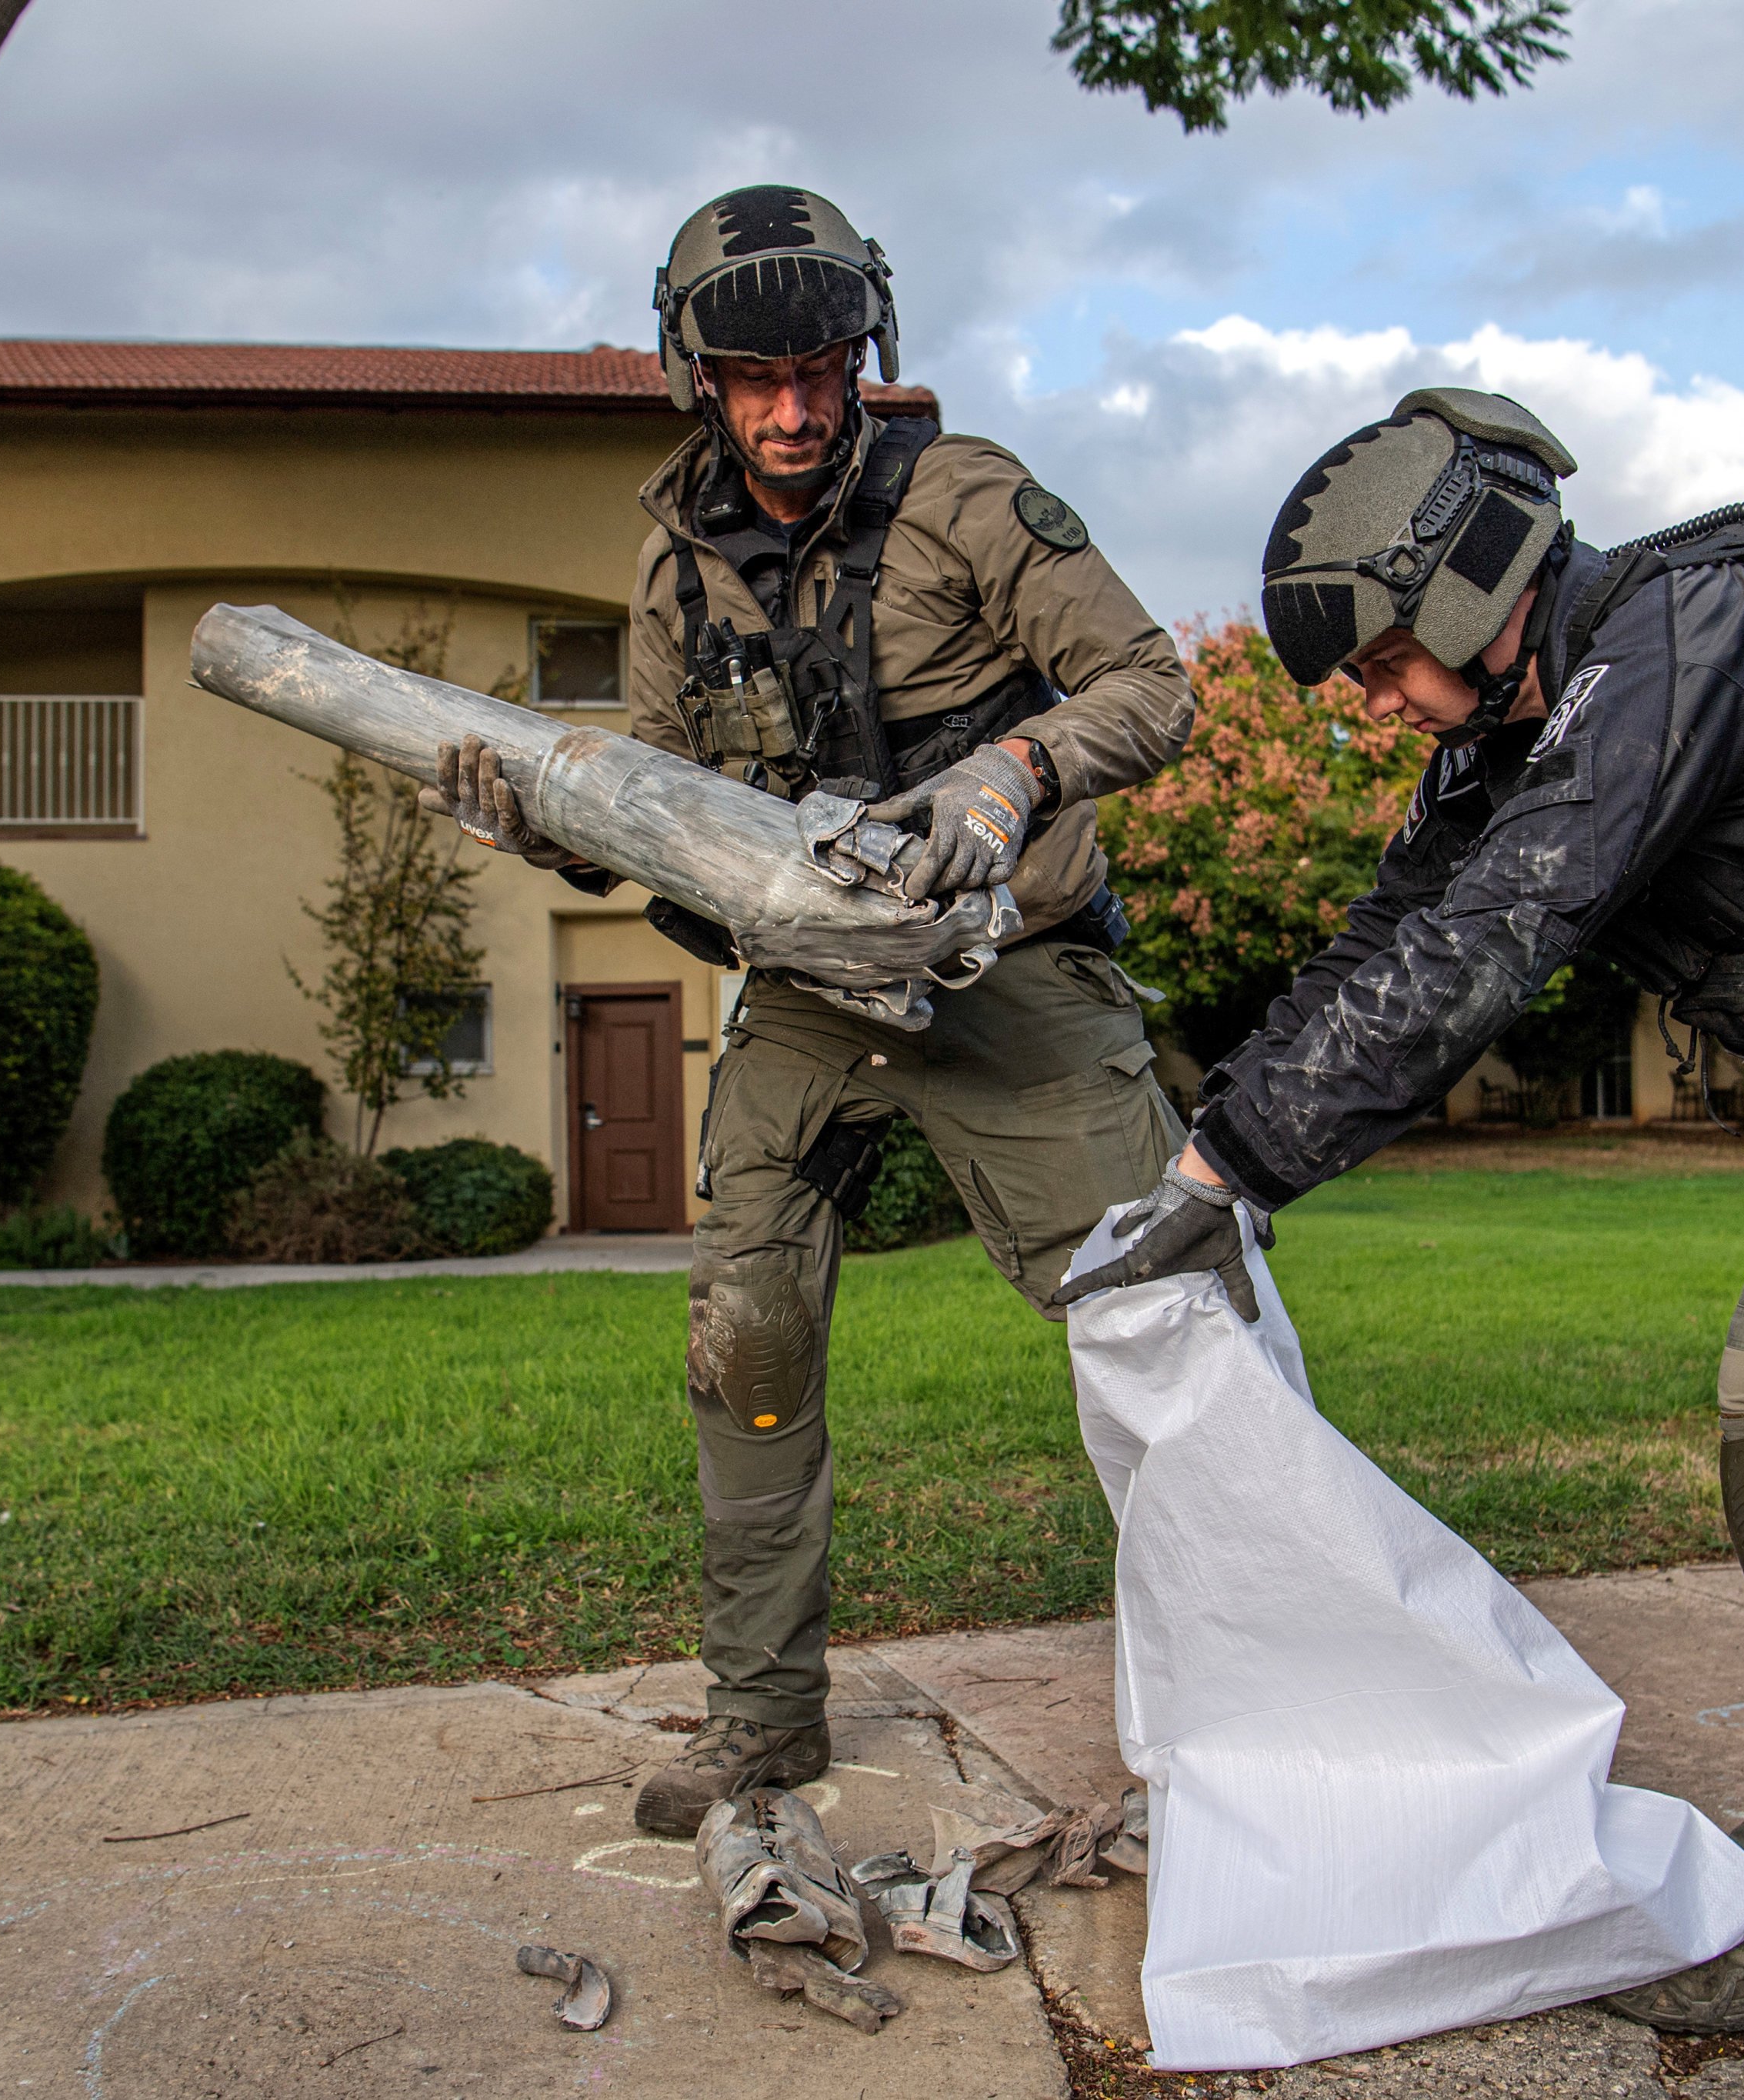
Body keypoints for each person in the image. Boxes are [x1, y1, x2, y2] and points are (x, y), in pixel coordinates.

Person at [1055, 387, 1744, 2032]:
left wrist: (1238, 1172)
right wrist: (1210, 1162)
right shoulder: (1521, 717)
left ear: (1462, 580)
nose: (1371, 706)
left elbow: (1506, 927)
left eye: (1374, 661)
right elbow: (1394, 933)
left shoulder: (1679, 638)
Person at [423, 185, 1196, 1838]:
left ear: (866, 353)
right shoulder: (671, 560)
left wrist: (1013, 767)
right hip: (803, 995)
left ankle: (1251, 1707)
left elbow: (1152, 683)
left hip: (1012, 977)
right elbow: (670, 818)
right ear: (691, 372)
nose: (791, 409)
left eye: (821, 368)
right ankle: (764, 1723)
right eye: (753, 376)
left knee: (1162, 1328)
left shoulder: (968, 498)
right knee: (743, 1341)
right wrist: (550, 821)